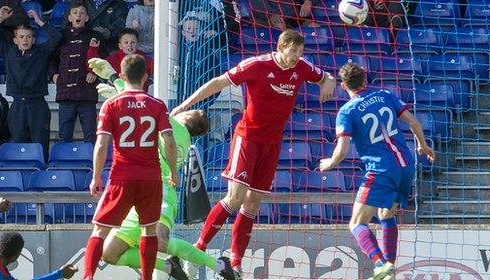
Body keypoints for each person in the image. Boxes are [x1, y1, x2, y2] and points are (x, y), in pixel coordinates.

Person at [171, 29, 336, 277]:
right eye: (293, 52)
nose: (297, 58)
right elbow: (218, 82)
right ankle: (198, 249)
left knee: (253, 203)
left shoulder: (302, 67)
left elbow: (326, 77)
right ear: (281, 48)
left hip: (272, 143)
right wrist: (185, 105)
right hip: (248, 138)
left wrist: (328, 81)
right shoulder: (257, 65)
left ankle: (236, 263)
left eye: (301, 53)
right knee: (235, 197)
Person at [87, 57, 236, 280]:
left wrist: (115, 82)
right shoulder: (174, 129)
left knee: (160, 240)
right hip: (142, 186)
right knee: (109, 254)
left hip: (160, 190)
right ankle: (168, 268)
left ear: (188, 118)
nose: (183, 110)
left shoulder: (175, 128)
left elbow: (138, 102)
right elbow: (138, 106)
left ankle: (217, 265)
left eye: (189, 111)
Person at [318, 63, 435, 280]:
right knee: (385, 214)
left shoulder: (347, 111)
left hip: (381, 169)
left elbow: (342, 151)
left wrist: (330, 163)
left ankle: (380, 263)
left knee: (356, 222)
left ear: (343, 86)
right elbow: (413, 121)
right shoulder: (385, 95)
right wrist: (423, 145)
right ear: (365, 81)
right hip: (405, 165)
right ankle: (389, 268)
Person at [82, 54, 178, 280]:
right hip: (151, 177)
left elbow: (102, 144)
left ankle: (87, 277)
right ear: (146, 77)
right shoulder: (157, 105)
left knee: (100, 230)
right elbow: (169, 140)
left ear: (122, 76)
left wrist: (96, 176)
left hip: (122, 176)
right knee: (149, 230)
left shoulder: (111, 104)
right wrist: (173, 171)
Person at [0, 7, 62, 158]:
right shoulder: (8, 51)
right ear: (15, 40)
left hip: (38, 105)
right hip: (17, 106)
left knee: (40, 147)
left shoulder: (41, 51)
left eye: (28, 37)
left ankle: (41, 178)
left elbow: (57, 36)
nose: (25, 40)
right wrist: (0, 19)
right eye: (21, 37)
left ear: (34, 39)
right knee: (19, 147)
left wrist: (40, 22)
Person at [48, 2, 105, 143]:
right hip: (65, 93)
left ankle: (91, 164)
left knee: (91, 135)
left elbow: (104, 59)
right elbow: (51, 60)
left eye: (82, 12)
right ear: (69, 17)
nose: (78, 15)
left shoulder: (96, 36)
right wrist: (53, 75)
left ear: (86, 17)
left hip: (86, 93)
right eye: (75, 12)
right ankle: (64, 164)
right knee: (64, 135)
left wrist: (95, 73)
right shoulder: (60, 36)